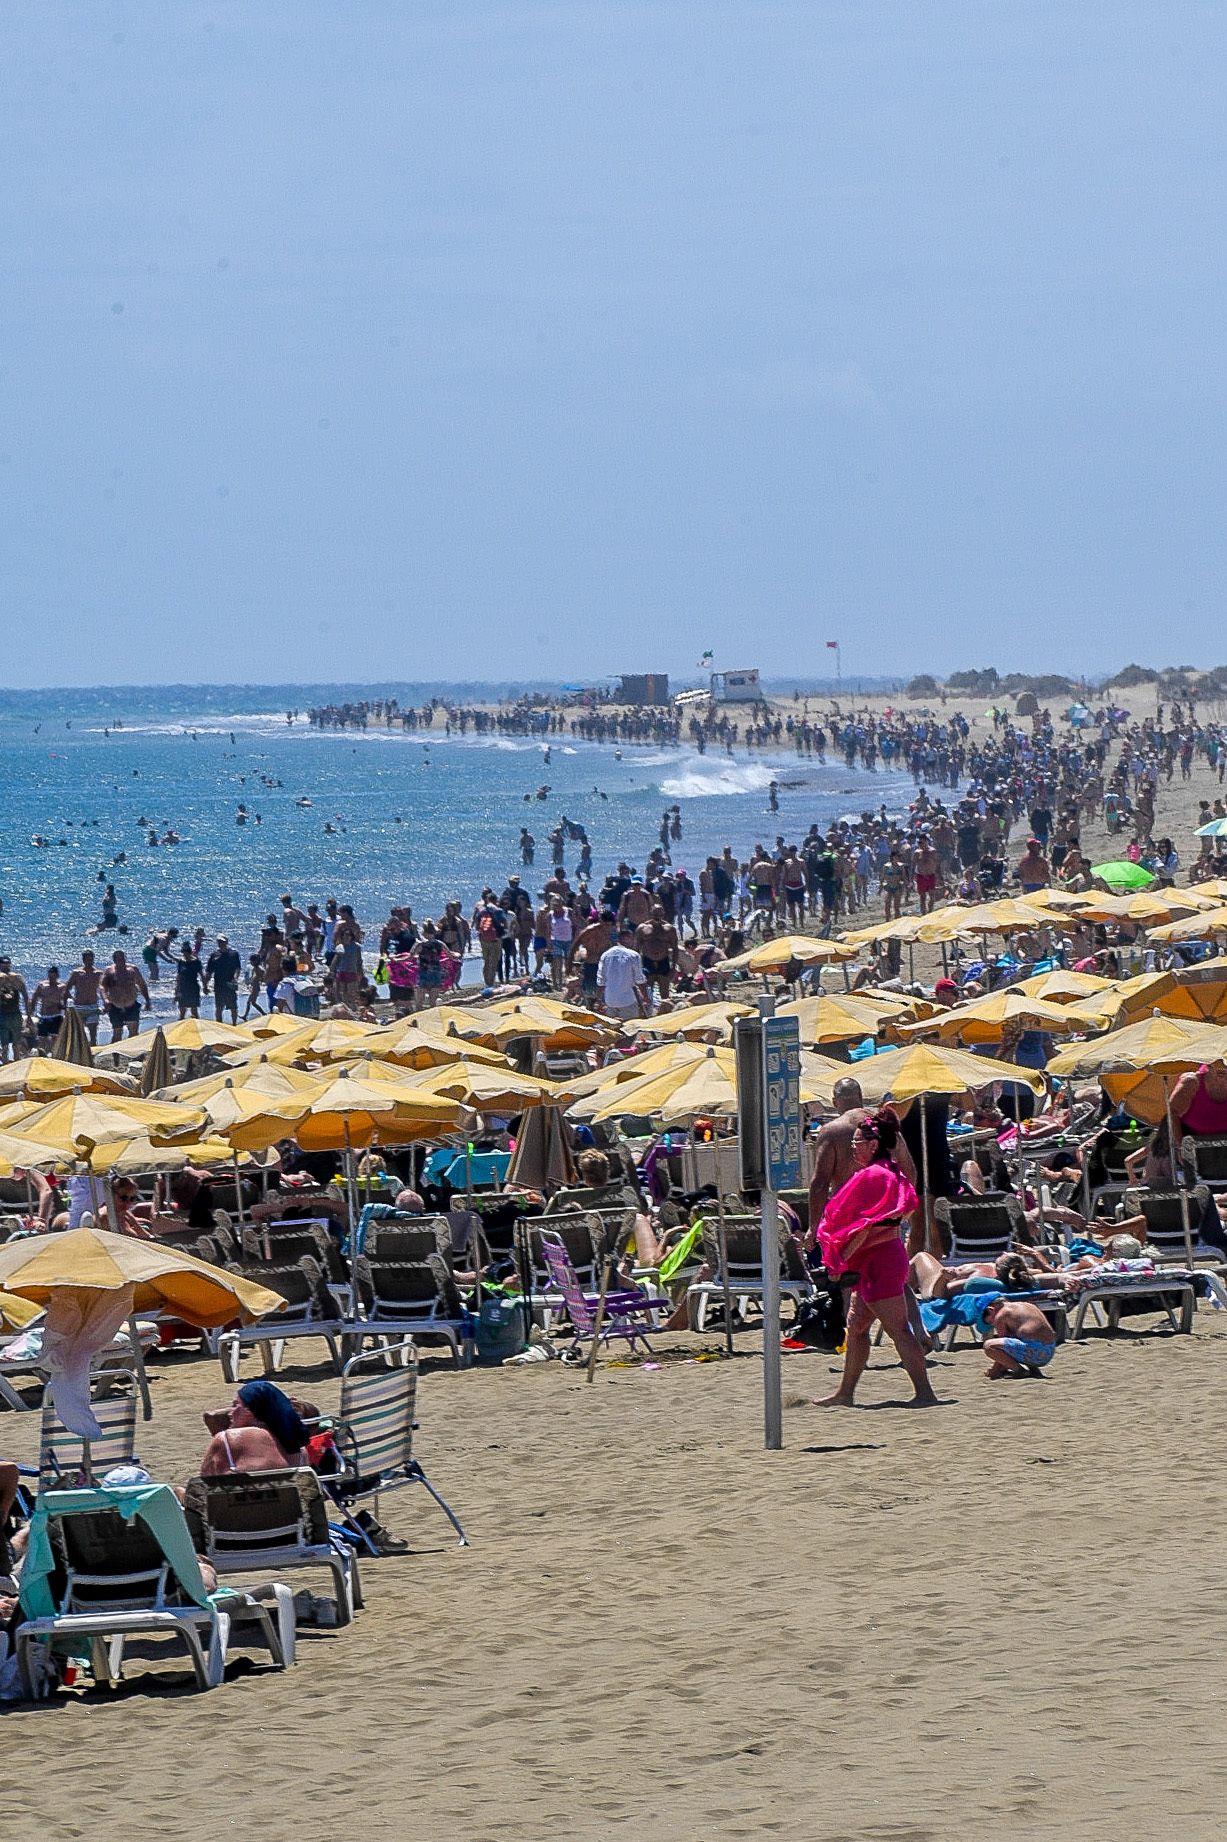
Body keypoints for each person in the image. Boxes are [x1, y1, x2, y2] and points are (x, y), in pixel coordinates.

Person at [814, 1107, 938, 1408]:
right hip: (877, 1259)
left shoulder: (875, 1175)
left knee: (898, 1329)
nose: (853, 1148)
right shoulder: (888, 1171)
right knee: (856, 1327)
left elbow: (870, 1229)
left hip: (879, 1261)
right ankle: (845, 1393)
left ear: (873, 1144)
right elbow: (910, 1178)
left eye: (857, 1143)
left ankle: (924, 1392)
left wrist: (840, 1261)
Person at [198, 1381, 307, 1475]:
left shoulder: (227, 1439)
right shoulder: (301, 1451)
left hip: (239, 1498)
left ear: (249, 1411)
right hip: (287, 1499)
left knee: (180, 1492)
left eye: (235, 1405)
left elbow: (204, 1483)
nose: (230, 1412)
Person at [981, 1294, 1056, 1379]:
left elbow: (1003, 1350)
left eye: (991, 1322)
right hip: (1049, 1351)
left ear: (990, 1309)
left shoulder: (1001, 1314)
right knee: (1021, 1338)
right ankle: (1034, 1371)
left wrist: (994, 1371)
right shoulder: (1026, 1305)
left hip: (1035, 1353)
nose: (994, 1325)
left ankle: (1019, 1370)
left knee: (989, 1346)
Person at [596, 926, 648, 1021]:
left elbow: (601, 981)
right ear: (628, 939)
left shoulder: (605, 955)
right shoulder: (633, 955)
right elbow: (640, 980)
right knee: (630, 1028)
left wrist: (599, 999)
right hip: (627, 1000)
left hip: (610, 999)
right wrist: (645, 998)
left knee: (613, 1029)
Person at [100, 949, 150, 1042]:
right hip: (115, 1006)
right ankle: (116, 1056)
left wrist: (147, 1000)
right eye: (118, 959)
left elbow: (142, 984)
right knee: (117, 1034)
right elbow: (103, 987)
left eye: (122, 958)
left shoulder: (132, 970)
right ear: (114, 960)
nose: (121, 961)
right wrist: (105, 1000)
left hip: (131, 1005)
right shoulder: (109, 971)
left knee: (133, 1032)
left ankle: (133, 1054)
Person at [64, 948, 104, 1044]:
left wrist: (105, 1002)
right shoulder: (77, 973)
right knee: (77, 1034)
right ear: (83, 960)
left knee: (93, 1034)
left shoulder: (98, 974)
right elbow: (66, 989)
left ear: (93, 959)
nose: (89, 961)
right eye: (87, 959)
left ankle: (92, 1055)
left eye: (90, 959)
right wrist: (69, 1004)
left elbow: (103, 989)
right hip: (79, 1007)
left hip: (92, 1006)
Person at [204, 933, 243, 1025]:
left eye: (222, 941)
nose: (221, 943)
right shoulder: (214, 955)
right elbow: (209, 972)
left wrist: (235, 978)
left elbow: (238, 968)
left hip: (230, 984)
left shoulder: (234, 954)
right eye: (219, 942)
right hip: (219, 985)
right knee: (219, 1007)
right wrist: (205, 985)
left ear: (227, 942)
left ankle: (234, 1024)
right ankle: (219, 1025)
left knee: (233, 1007)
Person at [28, 965, 66, 1048]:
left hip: (56, 1016)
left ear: (57, 976)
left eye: (53, 976)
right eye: (49, 975)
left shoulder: (62, 987)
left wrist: (63, 1007)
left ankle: (55, 1057)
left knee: (55, 1039)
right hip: (44, 1015)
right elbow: (34, 1000)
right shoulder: (42, 986)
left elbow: (68, 1000)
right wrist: (30, 1015)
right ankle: (42, 1056)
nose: (51, 978)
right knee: (42, 1039)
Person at [0, 958, 28, 1064]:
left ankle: (6, 1069)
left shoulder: (15, 978)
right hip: (13, 1014)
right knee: (15, 1044)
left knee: (6, 1045)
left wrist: (29, 1016)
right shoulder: (17, 978)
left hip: (7, 1014)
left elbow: (26, 997)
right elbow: (26, 998)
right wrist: (29, 1015)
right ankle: (15, 1066)